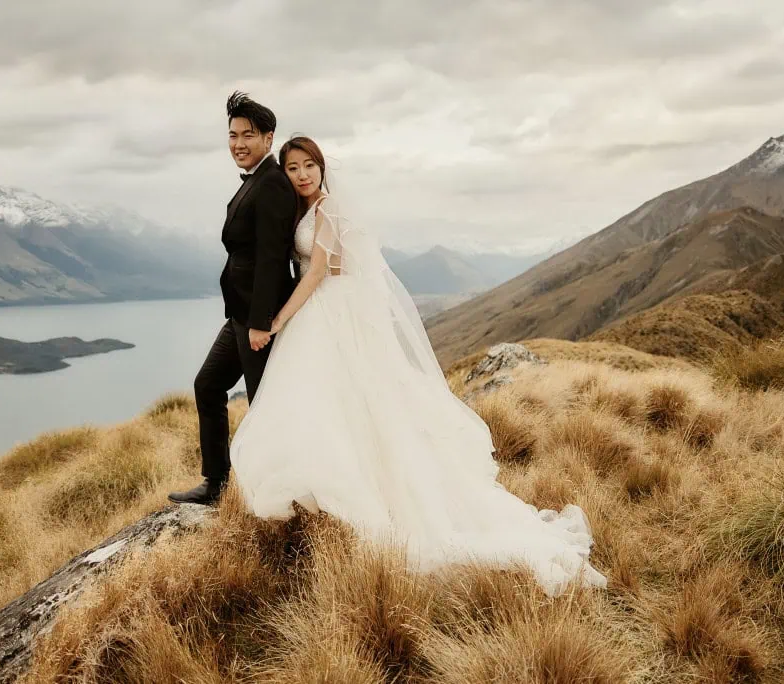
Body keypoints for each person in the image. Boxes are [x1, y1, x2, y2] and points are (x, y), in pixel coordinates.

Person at [226, 136, 607, 596]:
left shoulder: (327, 210)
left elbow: (319, 271)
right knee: (327, 406)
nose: (303, 174)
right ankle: (317, 499)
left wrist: (278, 319)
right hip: (321, 316)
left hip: (327, 313)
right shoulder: (303, 211)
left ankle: (366, 501)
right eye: (293, 168)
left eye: (310, 165)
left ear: (323, 169)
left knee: (345, 404)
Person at [168, 92, 298, 506]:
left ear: (268, 137)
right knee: (208, 385)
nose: (238, 143)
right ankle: (215, 482)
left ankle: (278, 493)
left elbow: (272, 259)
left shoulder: (274, 183)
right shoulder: (257, 181)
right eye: (232, 135)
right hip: (240, 314)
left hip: (258, 317)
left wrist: (261, 321)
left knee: (263, 405)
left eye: (248, 135)